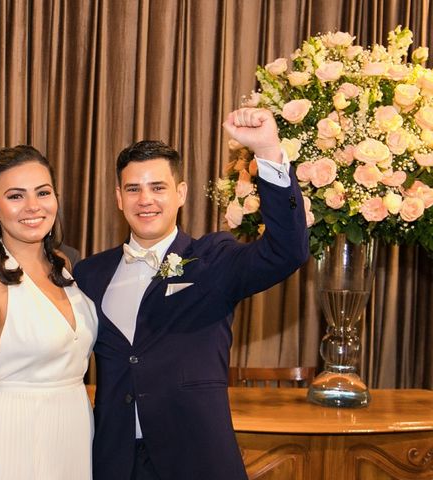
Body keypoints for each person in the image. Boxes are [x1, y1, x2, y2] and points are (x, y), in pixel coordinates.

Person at [73, 107, 309, 480]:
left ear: (181, 193)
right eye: (133, 189)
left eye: (158, 187)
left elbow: (288, 251)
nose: (144, 199)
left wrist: (268, 152)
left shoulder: (213, 259)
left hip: (197, 458)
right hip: (113, 461)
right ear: (119, 198)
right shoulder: (89, 273)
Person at [0, 145, 98, 479]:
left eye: (43, 192)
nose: (33, 207)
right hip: (10, 439)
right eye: (15, 196)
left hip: (70, 437)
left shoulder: (65, 266)